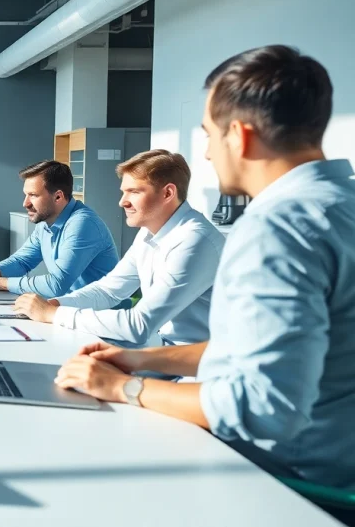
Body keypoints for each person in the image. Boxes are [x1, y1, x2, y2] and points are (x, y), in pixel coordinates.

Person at [55, 46, 355, 496]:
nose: (210, 154)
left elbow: (262, 406)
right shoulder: (341, 206)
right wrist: (138, 359)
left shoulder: (276, 228)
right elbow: (270, 347)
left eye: (209, 135)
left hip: (289, 479)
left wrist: (124, 388)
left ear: (240, 136)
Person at [13, 150, 224, 348]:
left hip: (195, 366)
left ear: (168, 193)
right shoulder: (149, 233)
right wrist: (55, 304)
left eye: (133, 191)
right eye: (123, 192)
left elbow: (139, 325)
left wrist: (52, 314)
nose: (122, 202)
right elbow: (108, 290)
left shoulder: (193, 240)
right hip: (162, 349)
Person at [0, 160, 120, 297]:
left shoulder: (82, 224)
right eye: (26, 195)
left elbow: (56, 285)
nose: (25, 203)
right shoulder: (45, 224)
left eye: (33, 195)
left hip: (98, 318)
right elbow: (22, 261)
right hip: (66, 309)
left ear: (58, 197)